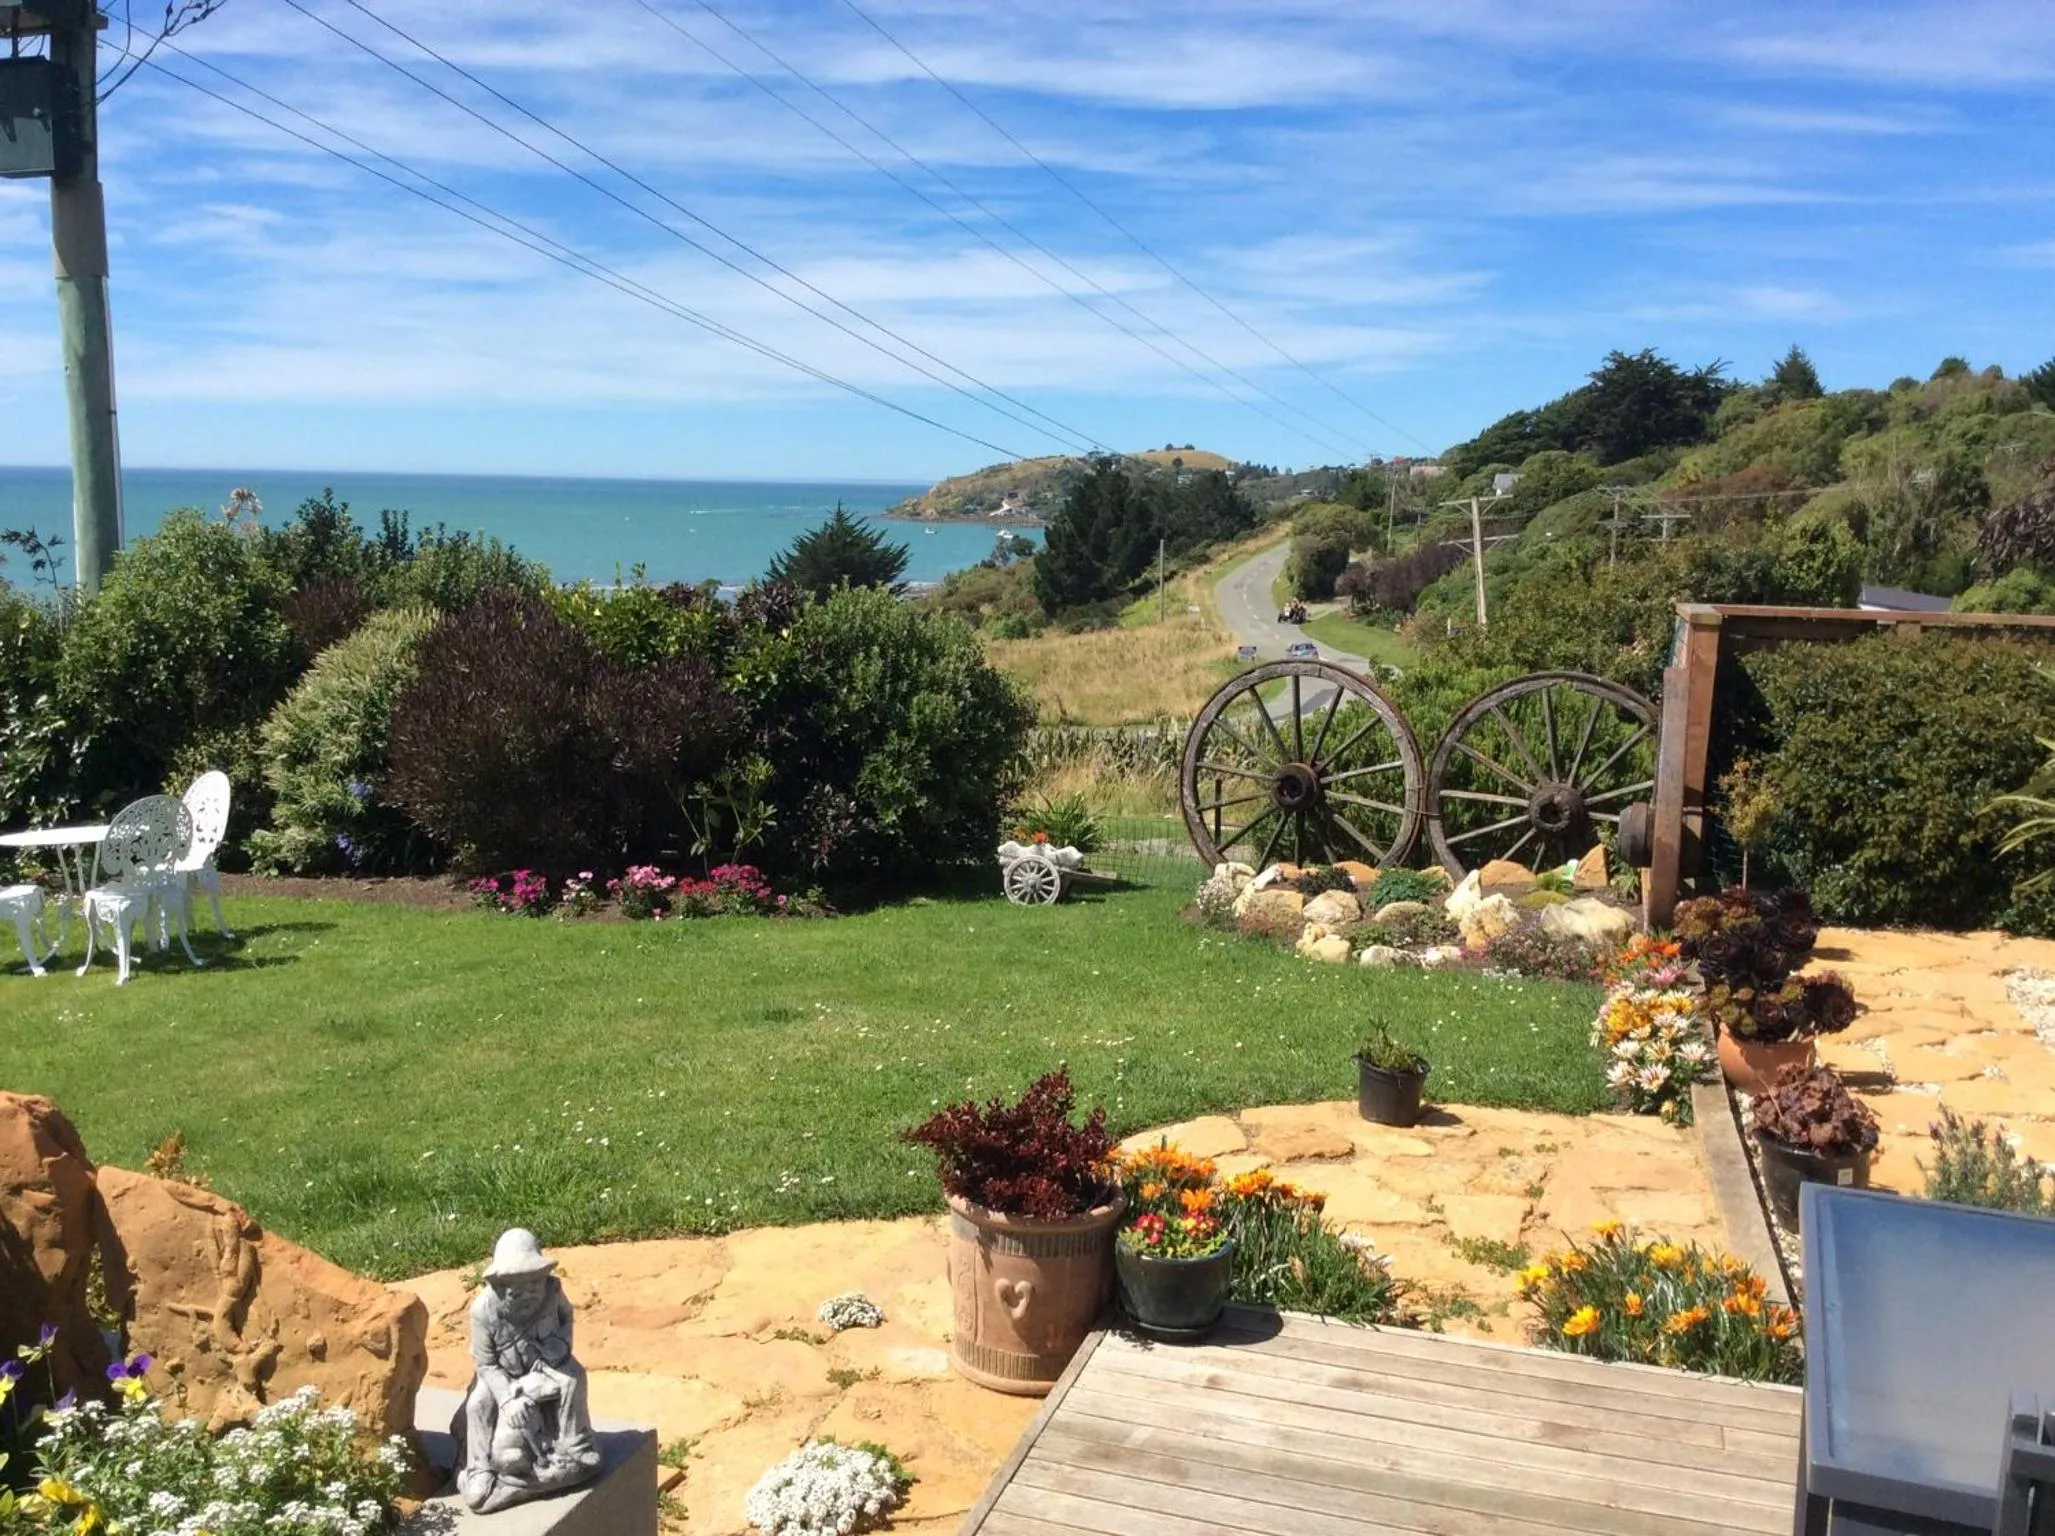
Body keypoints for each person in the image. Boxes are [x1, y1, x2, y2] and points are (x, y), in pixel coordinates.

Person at [452, 1229, 601, 1513]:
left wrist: (559, 1343)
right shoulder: (483, 1310)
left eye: (536, 1281)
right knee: (477, 1405)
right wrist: (507, 1399)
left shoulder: (554, 1292)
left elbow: (567, 1317)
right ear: (500, 1283)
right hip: (500, 1374)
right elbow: (486, 1364)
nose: (531, 1291)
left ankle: (575, 1441)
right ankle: (479, 1470)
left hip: (544, 1363)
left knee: (575, 1377)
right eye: (519, 1286)